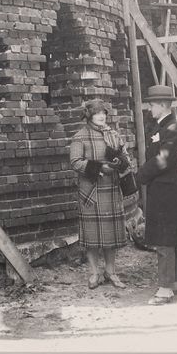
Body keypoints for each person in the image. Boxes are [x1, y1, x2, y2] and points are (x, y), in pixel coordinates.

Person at [70, 99, 130, 289]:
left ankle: (110, 272)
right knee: (93, 236)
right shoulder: (80, 137)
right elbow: (75, 162)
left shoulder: (114, 134)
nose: (101, 116)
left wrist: (119, 163)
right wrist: (99, 168)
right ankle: (94, 273)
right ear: (89, 116)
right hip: (90, 191)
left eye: (103, 112)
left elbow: (125, 157)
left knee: (110, 234)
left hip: (111, 189)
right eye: (97, 113)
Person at [136, 85, 177, 305]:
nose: (149, 109)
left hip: (166, 191)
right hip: (162, 189)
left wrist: (140, 175)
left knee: (165, 237)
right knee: (170, 235)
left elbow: (163, 160)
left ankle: (165, 290)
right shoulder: (163, 127)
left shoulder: (172, 129)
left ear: (163, 105)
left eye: (152, 105)